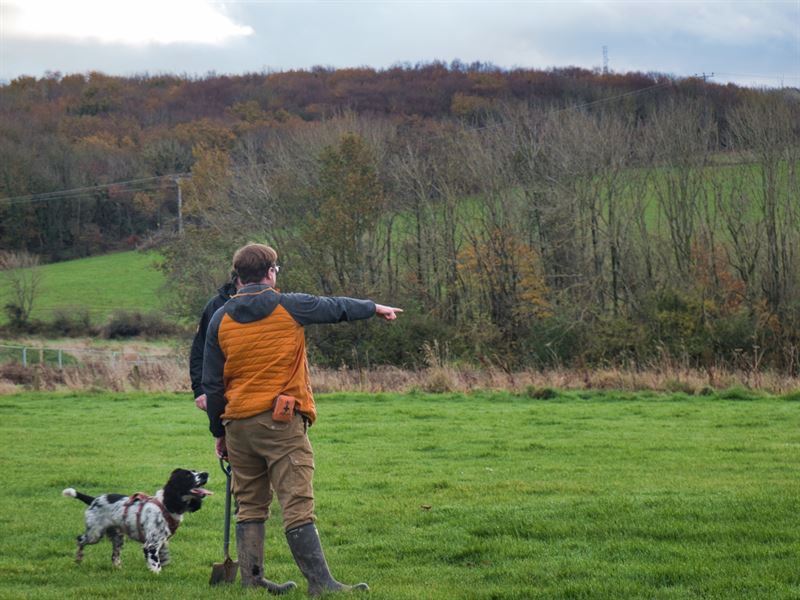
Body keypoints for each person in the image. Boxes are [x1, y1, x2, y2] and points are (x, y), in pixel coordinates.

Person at [203, 243, 401, 595]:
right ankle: (321, 583)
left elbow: (213, 384)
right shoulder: (289, 305)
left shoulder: (220, 317)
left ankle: (252, 580)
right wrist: (374, 308)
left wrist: (220, 431)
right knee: (296, 502)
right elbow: (335, 307)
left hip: (237, 425)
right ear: (269, 272)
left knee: (249, 502)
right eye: (276, 268)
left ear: (239, 276)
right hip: (279, 422)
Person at [189, 273, 238, 411]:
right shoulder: (215, 306)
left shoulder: (273, 305)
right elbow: (199, 349)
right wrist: (199, 390)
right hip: (220, 391)